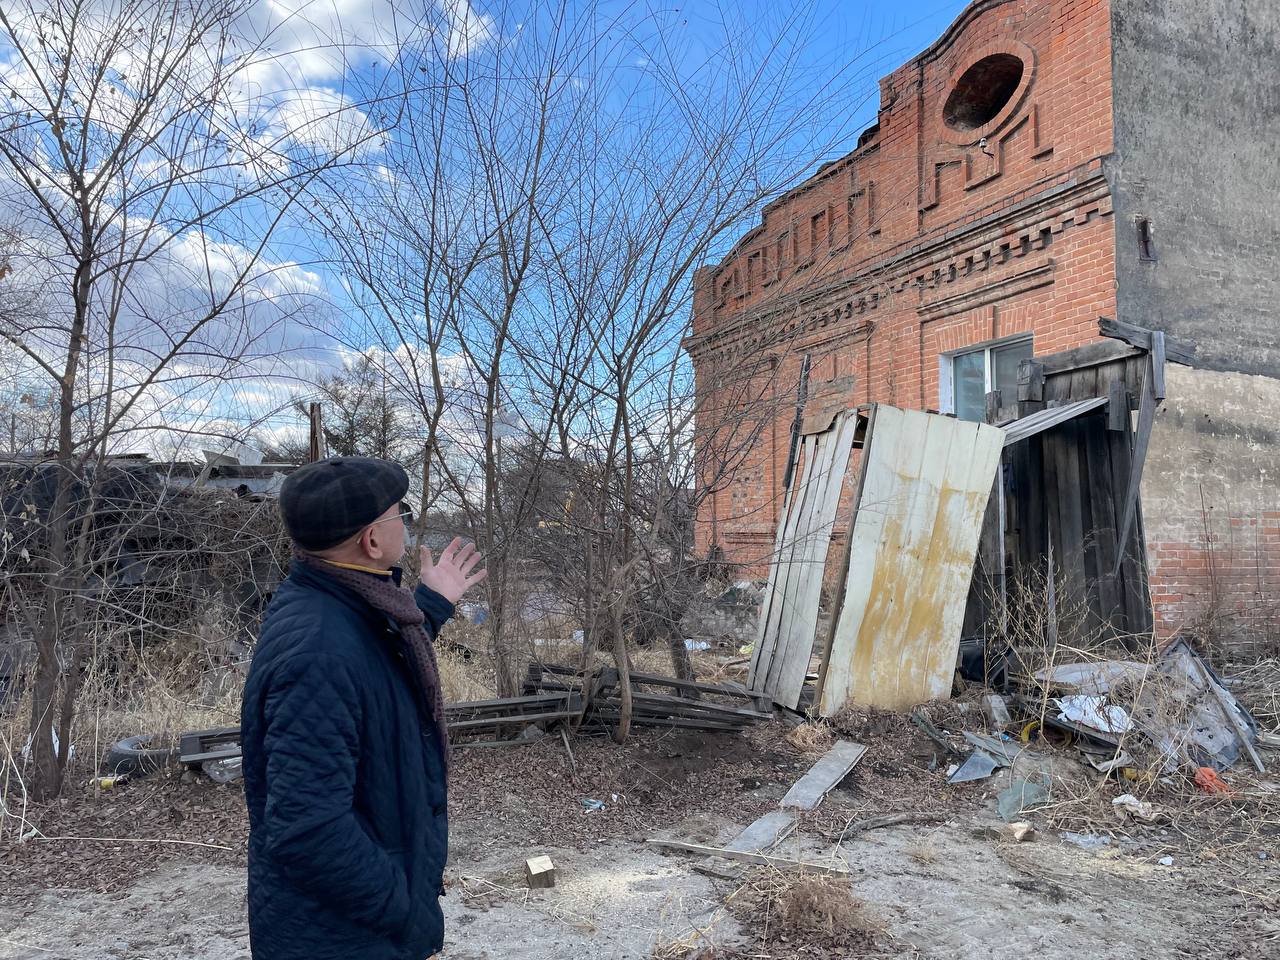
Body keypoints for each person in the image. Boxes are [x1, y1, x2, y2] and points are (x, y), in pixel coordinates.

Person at [241, 456, 486, 960]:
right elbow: (308, 829)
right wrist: (405, 910)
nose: (406, 522)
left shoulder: (336, 604)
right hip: (342, 936)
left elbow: (374, 668)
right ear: (372, 540)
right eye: (401, 513)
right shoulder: (320, 650)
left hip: (346, 926)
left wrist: (432, 605)